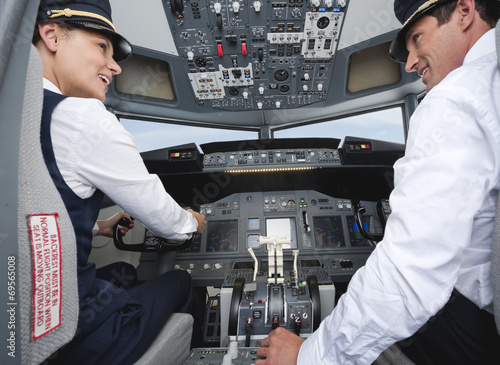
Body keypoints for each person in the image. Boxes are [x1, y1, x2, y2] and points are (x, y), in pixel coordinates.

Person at [257, 0, 500, 363]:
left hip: (473, 326)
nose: (411, 61)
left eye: (417, 38)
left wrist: (309, 355)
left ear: (464, 10)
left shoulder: (455, 99)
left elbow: (407, 273)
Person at [33, 0, 206, 363]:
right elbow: (166, 221)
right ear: (51, 35)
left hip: (27, 317)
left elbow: (28, 212)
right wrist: (192, 222)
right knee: (183, 283)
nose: (114, 66)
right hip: (68, 336)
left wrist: (98, 227)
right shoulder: (82, 118)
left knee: (125, 272)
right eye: (101, 46)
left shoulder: (17, 113)